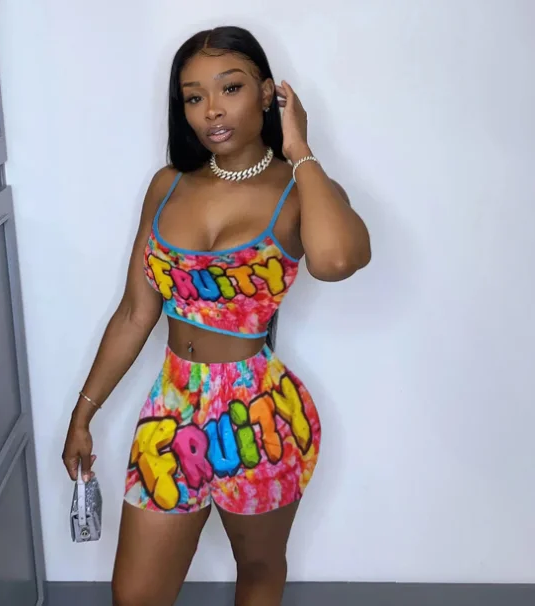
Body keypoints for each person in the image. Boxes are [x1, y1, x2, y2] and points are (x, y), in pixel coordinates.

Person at [62, 25, 371, 606]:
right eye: (193, 96)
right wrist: (84, 413)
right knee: (135, 595)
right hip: (173, 408)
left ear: (267, 93)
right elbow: (135, 312)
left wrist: (301, 150)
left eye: (230, 88)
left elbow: (336, 260)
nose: (211, 110)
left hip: (260, 415)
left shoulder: (299, 188)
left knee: (258, 567)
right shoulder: (167, 185)